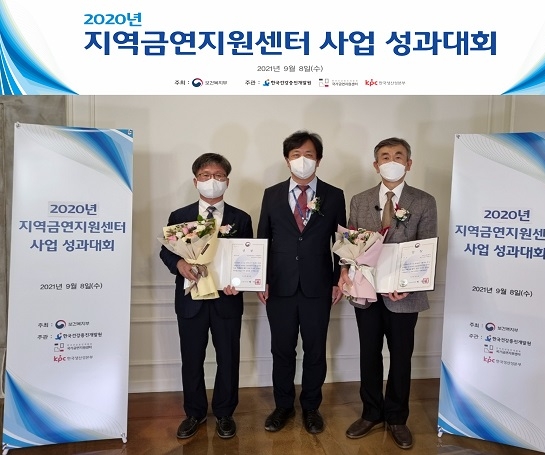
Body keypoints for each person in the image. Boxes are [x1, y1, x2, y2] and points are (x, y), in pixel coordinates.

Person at [340, 138, 437, 449]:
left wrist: (405, 284)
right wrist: (345, 270)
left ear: (409, 163)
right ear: (376, 165)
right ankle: (371, 413)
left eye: (398, 156)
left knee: (400, 357)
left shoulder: (424, 201)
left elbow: (426, 249)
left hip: (404, 296)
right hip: (366, 292)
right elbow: (351, 244)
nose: (391, 161)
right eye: (385, 156)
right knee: (368, 354)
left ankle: (397, 417)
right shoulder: (360, 200)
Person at [257, 130, 346, 434]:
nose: (302, 160)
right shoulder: (271, 194)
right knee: (282, 350)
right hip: (279, 285)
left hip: (318, 286)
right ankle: (283, 406)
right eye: (296, 155)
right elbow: (263, 239)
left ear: (318, 160)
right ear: (287, 160)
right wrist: (261, 279)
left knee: (315, 350)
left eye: (308, 155)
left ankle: (311, 407)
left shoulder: (334, 195)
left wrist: (338, 279)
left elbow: (341, 242)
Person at [160, 153, 253, 440]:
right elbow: (166, 251)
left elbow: (248, 257)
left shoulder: (241, 218)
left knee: (228, 358)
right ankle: (194, 413)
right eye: (205, 175)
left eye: (218, 175)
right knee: (191, 359)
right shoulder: (179, 216)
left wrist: (240, 282)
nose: (212, 180)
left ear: (227, 181)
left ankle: (225, 414)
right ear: (195, 181)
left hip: (227, 299)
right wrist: (179, 264)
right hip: (191, 299)